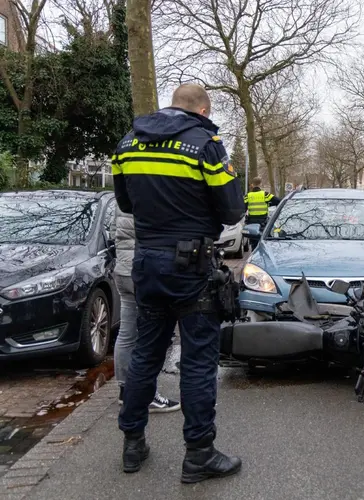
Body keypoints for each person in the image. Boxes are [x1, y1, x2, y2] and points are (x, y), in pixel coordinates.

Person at [112, 83, 246, 483]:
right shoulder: (205, 143)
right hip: (191, 266)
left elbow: (125, 203)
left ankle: (132, 444)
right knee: (198, 361)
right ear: (202, 110)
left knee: (145, 357)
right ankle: (199, 454)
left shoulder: (127, 144)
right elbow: (232, 207)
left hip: (147, 263)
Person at [113, 206, 180, 413]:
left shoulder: (123, 194)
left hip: (122, 269)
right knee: (150, 337)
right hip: (141, 268)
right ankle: (147, 394)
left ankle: (126, 391)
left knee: (126, 333)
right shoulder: (146, 190)